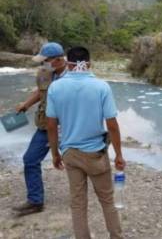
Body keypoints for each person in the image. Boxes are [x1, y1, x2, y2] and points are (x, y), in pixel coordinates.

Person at [46, 47, 126, 239]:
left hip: (70, 153)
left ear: (68, 63)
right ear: (89, 63)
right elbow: (112, 125)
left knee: (78, 203)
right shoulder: (101, 86)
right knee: (107, 200)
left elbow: (51, 124)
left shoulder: (55, 87)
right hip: (96, 154)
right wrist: (119, 155)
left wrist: (55, 153)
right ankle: (116, 236)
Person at [13, 42, 66, 216]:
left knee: (79, 163)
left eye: (46, 61)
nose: (43, 64)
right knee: (30, 159)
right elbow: (40, 92)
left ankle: (93, 194)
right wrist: (25, 104)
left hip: (69, 128)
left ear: (58, 60)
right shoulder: (45, 73)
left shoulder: (73, 77)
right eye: (42, 61)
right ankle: (35, 201)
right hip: (45, 126)